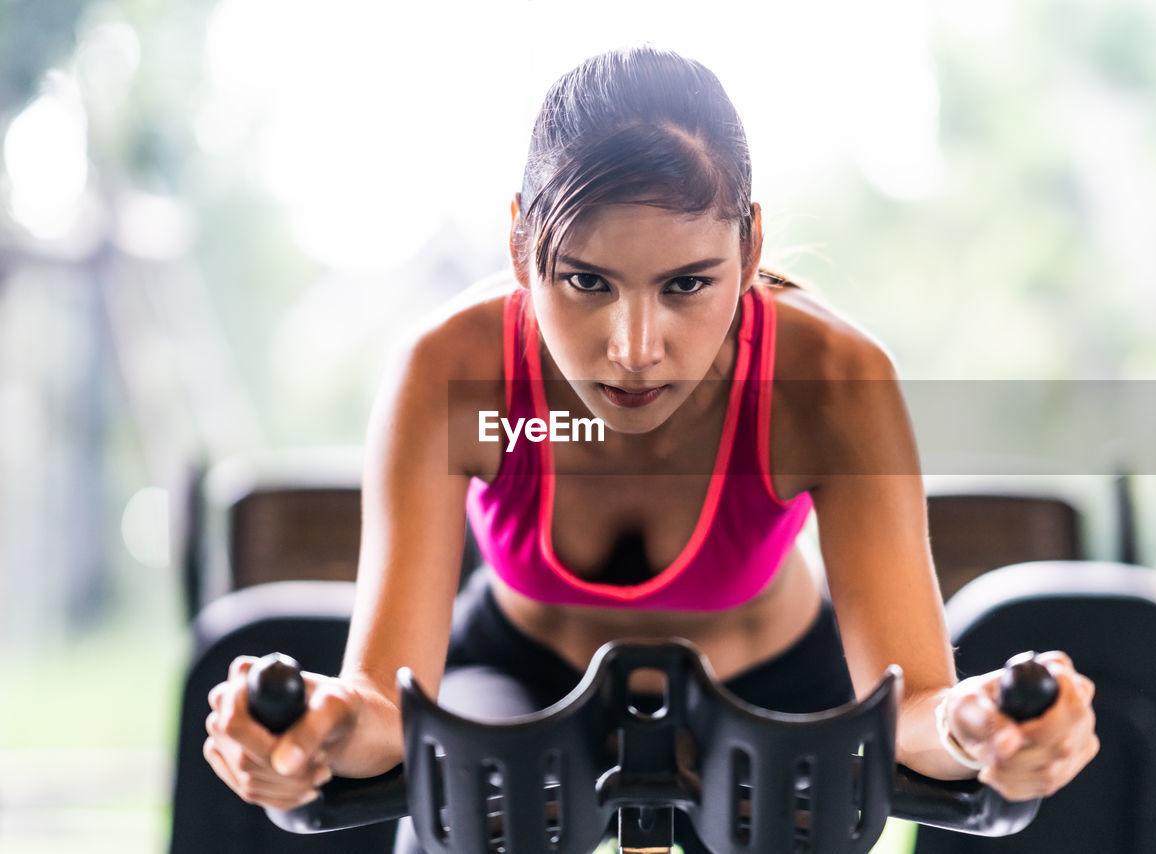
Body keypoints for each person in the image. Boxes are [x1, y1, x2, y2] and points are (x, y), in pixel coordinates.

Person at [204, 45, 1099, 852]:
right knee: (463, 821)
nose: (634, 346)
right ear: (521, 247)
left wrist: (977, 731)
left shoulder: (832, 381)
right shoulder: (451, 375)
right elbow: (382, 712)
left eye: (688, 284)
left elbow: (910, 710)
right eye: (586, 281)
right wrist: (306, 734)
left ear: (748, 249)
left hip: (774, 687)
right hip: (518, 674)